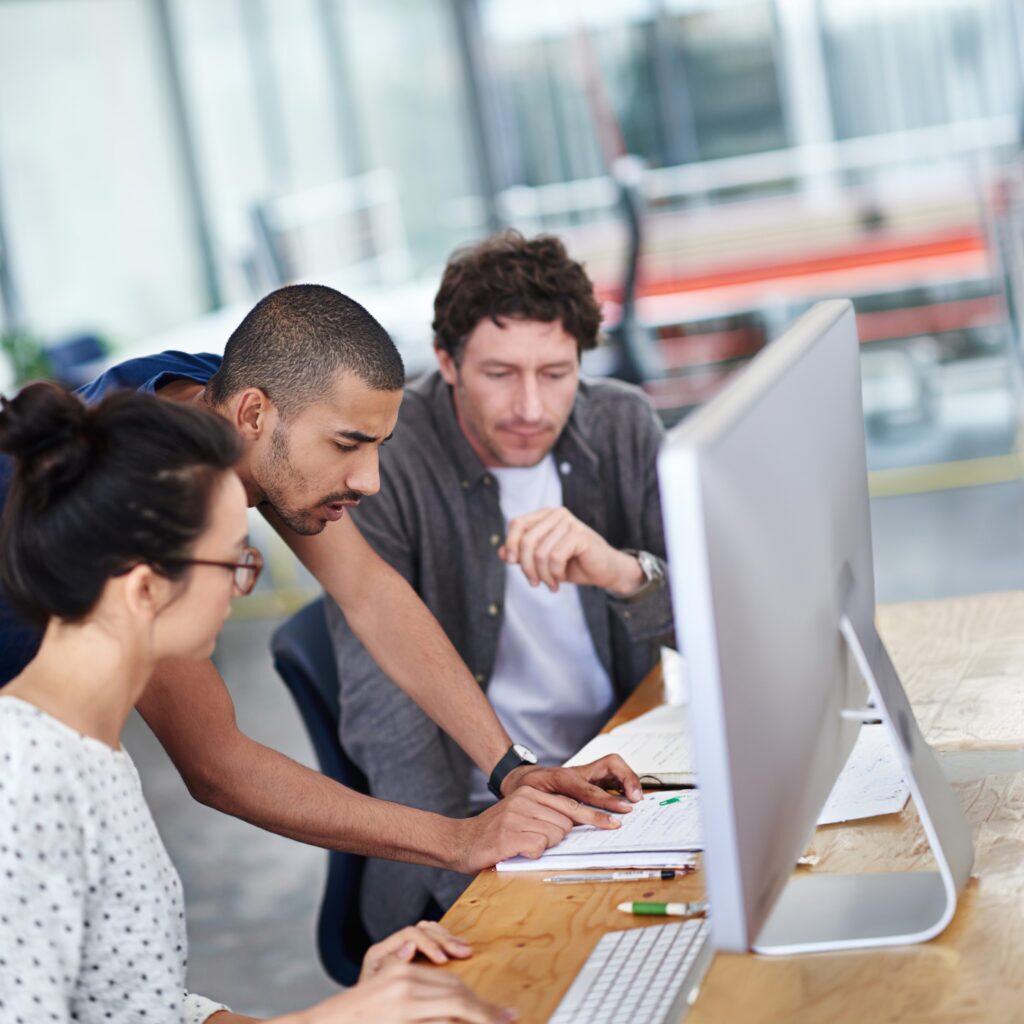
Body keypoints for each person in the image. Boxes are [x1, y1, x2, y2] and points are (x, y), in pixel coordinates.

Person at [0, 286, 641, 889]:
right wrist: (461, 839)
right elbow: (217, 764)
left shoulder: (224, 396)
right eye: (347, 444)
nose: (370, 480)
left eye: (379, 446)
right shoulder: (142, 497)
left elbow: (367, 589)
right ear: (254, 413)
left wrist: (510, 770)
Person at [0, 382, 515, 1024]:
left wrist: (357, 1009)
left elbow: (143, 1005)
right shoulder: (26, 779)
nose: (241, 587)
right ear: (144, 589)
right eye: (233, 563)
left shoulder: (93, 754)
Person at [328, 231, 673, 938]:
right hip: (477, 825)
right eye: (499, 374)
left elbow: (715, 626)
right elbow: (387, 723)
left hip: (623, 786)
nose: (531, 407)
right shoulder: (384, 458)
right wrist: (472, 887)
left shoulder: (622, 425)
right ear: (446, 362)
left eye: (556, 373)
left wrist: (623, 572)